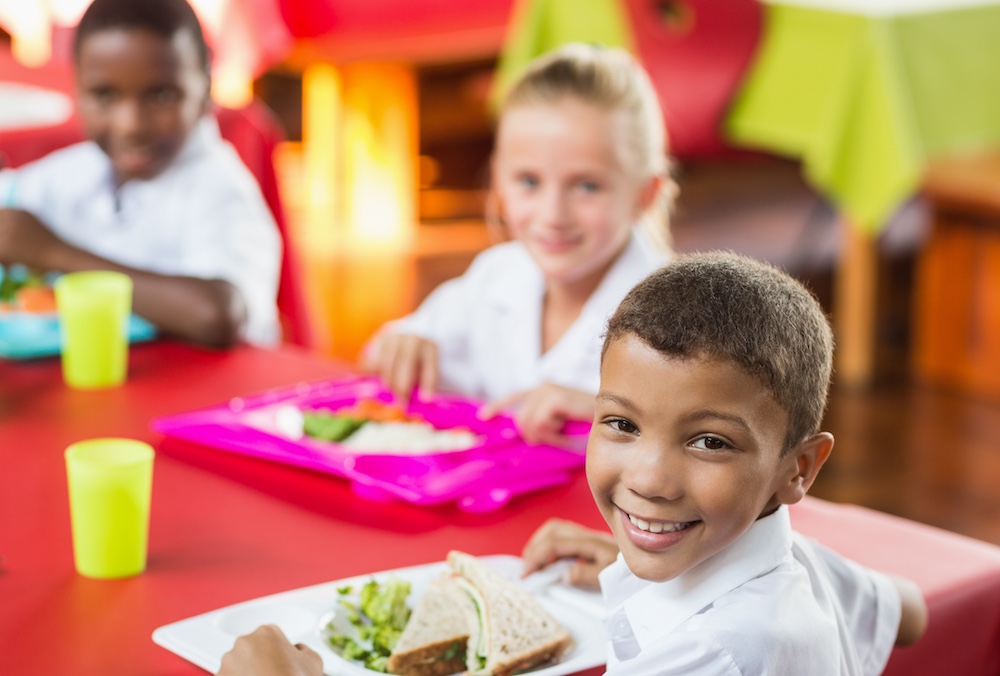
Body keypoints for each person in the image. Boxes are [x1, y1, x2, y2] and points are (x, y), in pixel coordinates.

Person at [216, 252, 927, 676]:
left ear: (799, 468)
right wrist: (672, 555)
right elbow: (909, 609)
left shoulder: (720, 652)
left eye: (709, 441)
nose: (648, 478)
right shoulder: (799, 567)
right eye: (620, 423)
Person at [362, 43, 673, 447]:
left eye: (587, 186)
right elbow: (380, 355)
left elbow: (707, 442)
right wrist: (401, 346)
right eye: (529, 181)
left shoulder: (676, 315)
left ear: (643, 195)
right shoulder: (497, 275)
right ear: (499, 181)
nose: (553, 214)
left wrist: (612, 415)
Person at [0, 0, 281, 347]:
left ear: (206, 85)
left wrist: (54, 254)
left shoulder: (220, 190)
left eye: (160, 95)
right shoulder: (77, 170)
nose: (131, 125)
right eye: (104, 95)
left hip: (212, 394)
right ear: (77, 88)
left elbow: (217, 313)